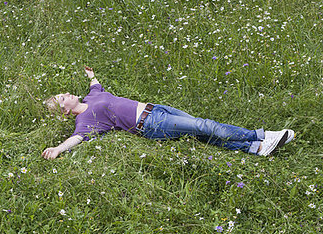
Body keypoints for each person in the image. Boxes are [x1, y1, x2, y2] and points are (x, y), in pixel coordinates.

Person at [42, 66, 294, 160]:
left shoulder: (91, 96)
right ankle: (260, 136)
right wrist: (57, 149)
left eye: (63, 92)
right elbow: (76, 139)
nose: (66, 93)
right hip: (151, 125)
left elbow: (95, 85)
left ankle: (255, 149)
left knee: (200, 133)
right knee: (204, 126)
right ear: (65, 111)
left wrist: (91, 76)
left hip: (157, 109)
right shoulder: (86, 120)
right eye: (62, 97)